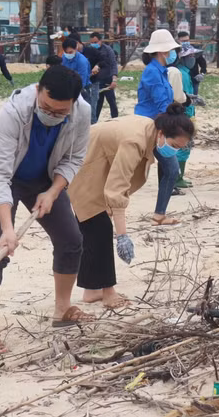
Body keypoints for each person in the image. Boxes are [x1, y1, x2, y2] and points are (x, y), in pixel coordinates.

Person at [0, 65, 91, 348]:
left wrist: (52, 192)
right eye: (47, 107)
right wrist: (7, 228)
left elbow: (73, 159)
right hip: (6, 177)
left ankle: (62, 310)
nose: (52, 115)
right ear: (38, 91)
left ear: (73, 104)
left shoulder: (82, 113)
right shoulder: (14, 112)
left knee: (71, 240)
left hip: (46, 178)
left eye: (60, 112)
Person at [69, 107, 195, 308]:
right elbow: (117, 189)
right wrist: (122, 236)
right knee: (99, 228)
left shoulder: (150, 129)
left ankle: (92, 290)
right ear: (161, 133)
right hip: (84, 165)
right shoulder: (135, 141)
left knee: (91, 228)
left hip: (95, 162)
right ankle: (108, 292)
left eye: (180, 148)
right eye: (173, 145)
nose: (174, 151)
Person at [134, 29, 184, 225]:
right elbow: (161, 104)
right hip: (152, 127)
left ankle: (159, 214)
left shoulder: (160, 71)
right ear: (163, 51)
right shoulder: (153, 73)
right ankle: (158, 214)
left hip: (159, 125)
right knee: (171, 169)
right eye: (170, 50)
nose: (173, 53)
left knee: (167, 169)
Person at [168, 46, 197, 190]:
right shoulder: (182, 74)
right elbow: (182, 95)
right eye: (190, 56)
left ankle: (179, 176)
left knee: (184, 147)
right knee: (183, 147)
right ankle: (177, 178)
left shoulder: (184, 72)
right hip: (185, 113)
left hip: (187, 112)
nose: (193, 59)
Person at [88, 33, 119, 123]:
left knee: (112, 102)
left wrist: (114, 79)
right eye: (92, 42)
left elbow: (113, 65)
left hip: (107, 81)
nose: (93, 44)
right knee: (97, 104)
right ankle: (94, 123)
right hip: (95, 82)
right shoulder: (90, 51)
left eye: (95, 42)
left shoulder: (108, 50)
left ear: (100, 41)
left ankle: (115, 121)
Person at [61, 38, 92, 105]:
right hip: (67, 88)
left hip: (82, 90)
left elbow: (82, 81)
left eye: (70, 52)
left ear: (76, 49)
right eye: (66, 52)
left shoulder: (82, 61)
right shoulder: (63, 57)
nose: (68, 54)